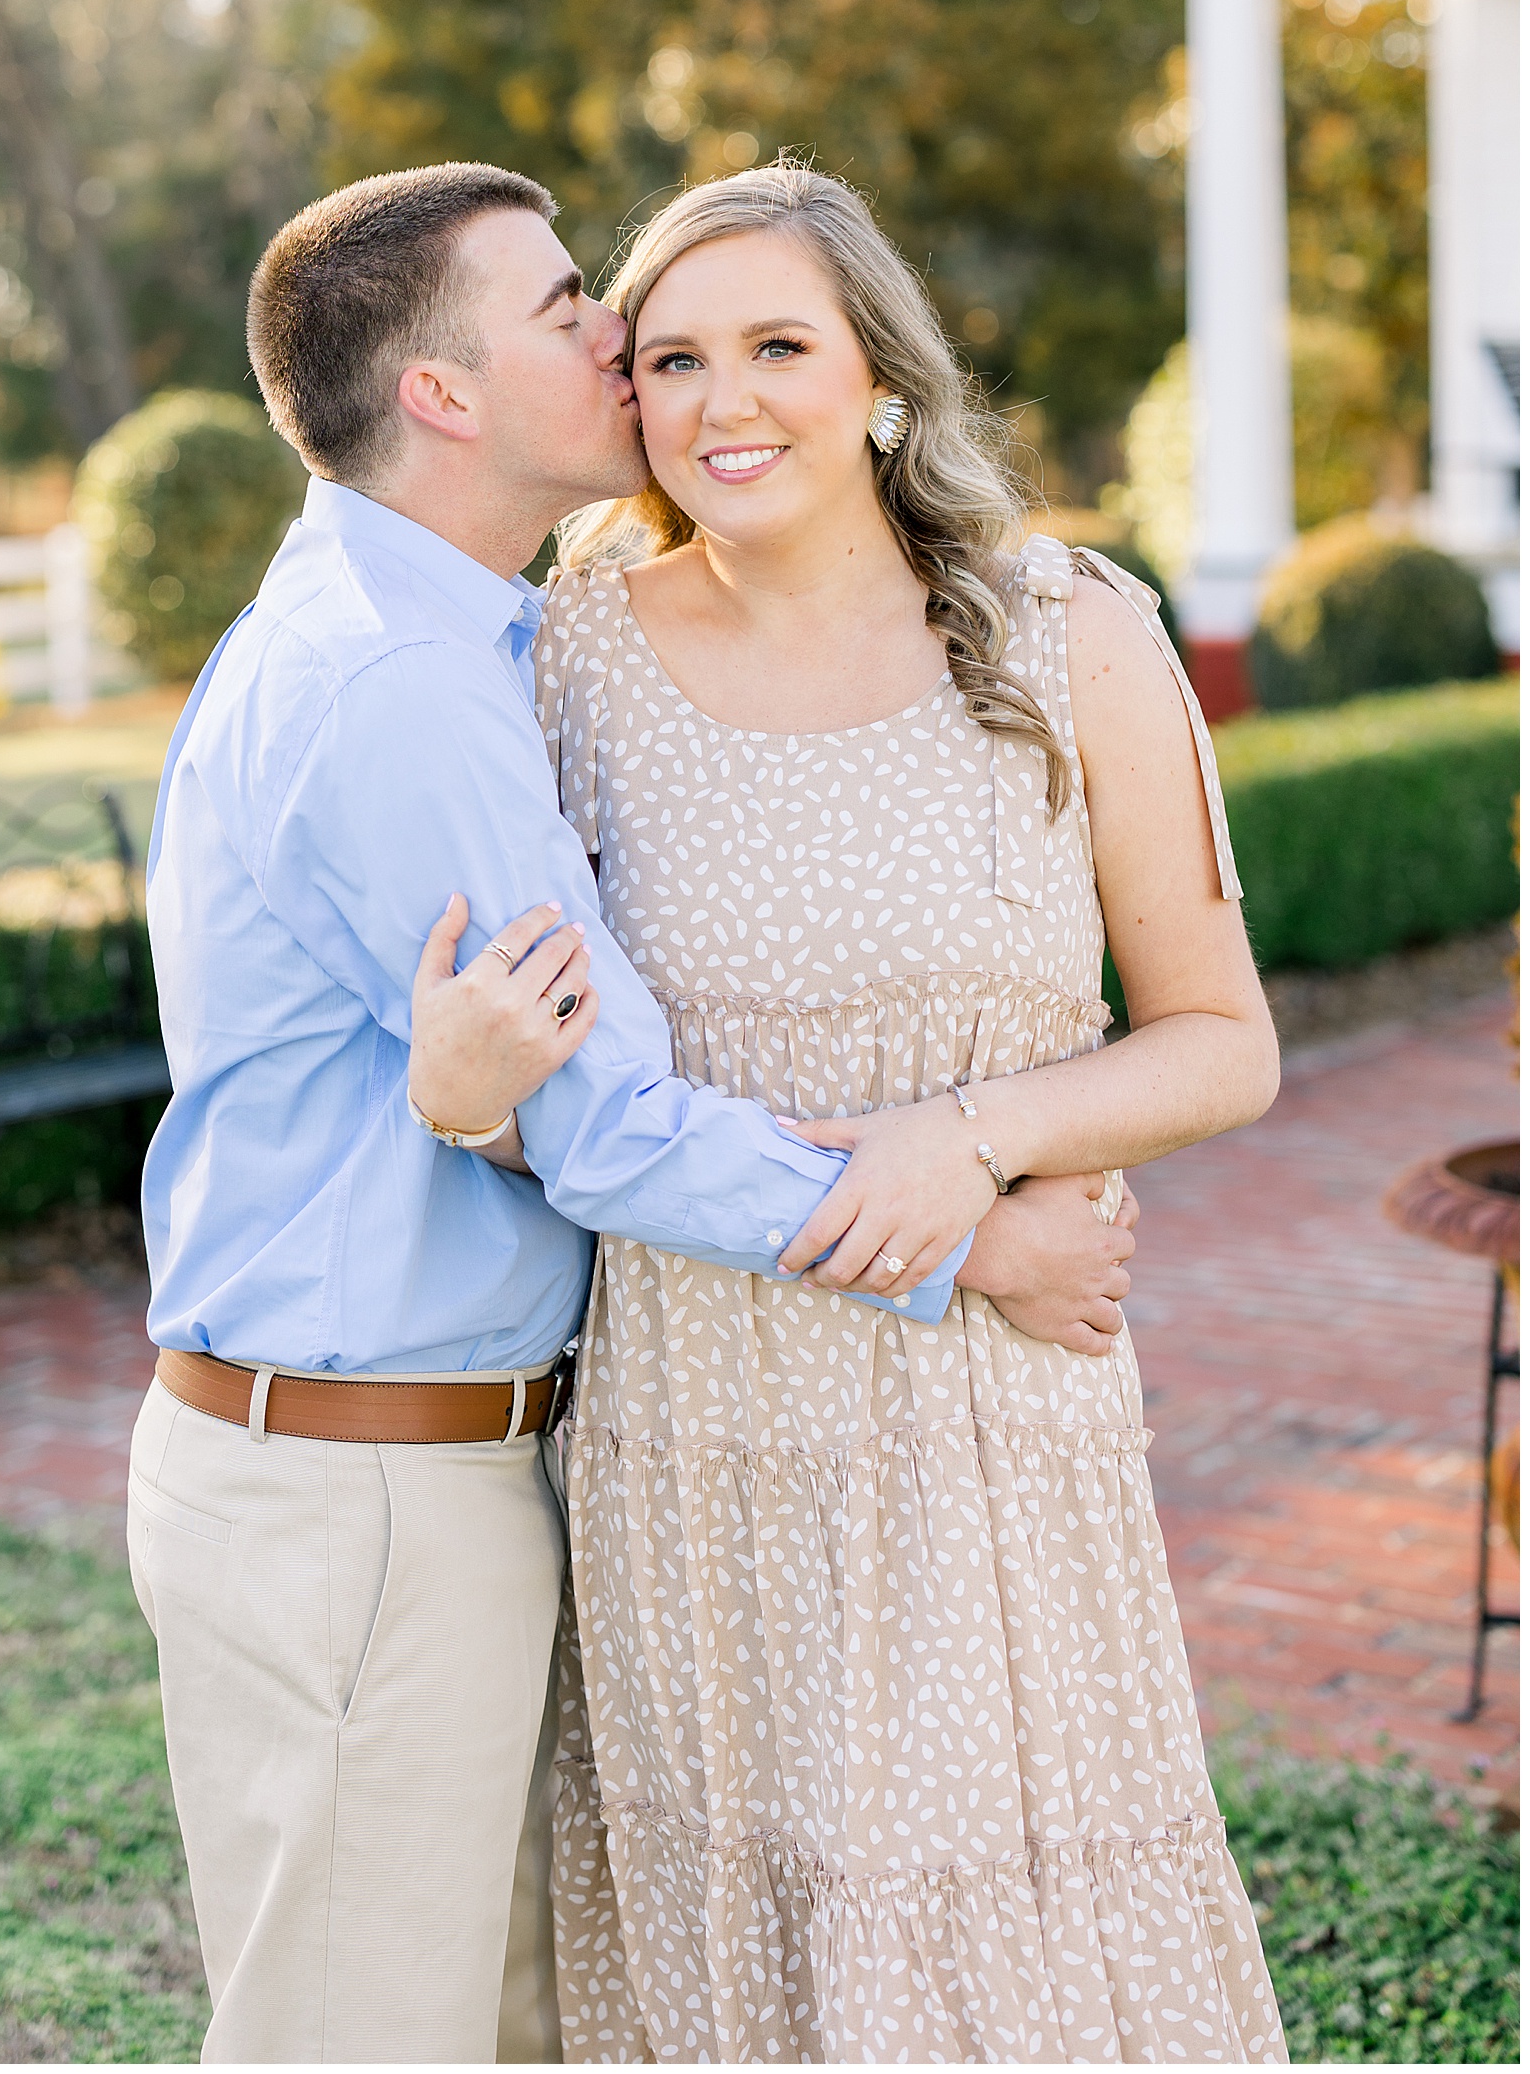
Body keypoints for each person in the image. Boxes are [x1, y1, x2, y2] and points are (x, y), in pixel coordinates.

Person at [129, 161, 1127, 2065]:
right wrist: (976, 1237)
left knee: (502, 2027)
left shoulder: (468, 636)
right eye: (565, 304)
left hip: (416, 1468)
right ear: (441, 393)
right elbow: (607, 1124)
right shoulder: (404, 684)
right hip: (361, 1494)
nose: (615, 334)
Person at [502, 161, 1287, 2063]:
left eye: (780, 344)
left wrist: (973, 1136)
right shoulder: (570, 655)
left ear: (878, 373)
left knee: (1006, 1953)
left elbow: (1221, 1042)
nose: (727, 401)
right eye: (674, 358)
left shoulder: (1068, 632)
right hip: (696, 1421)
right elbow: (556, 1081)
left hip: (989, 1431)